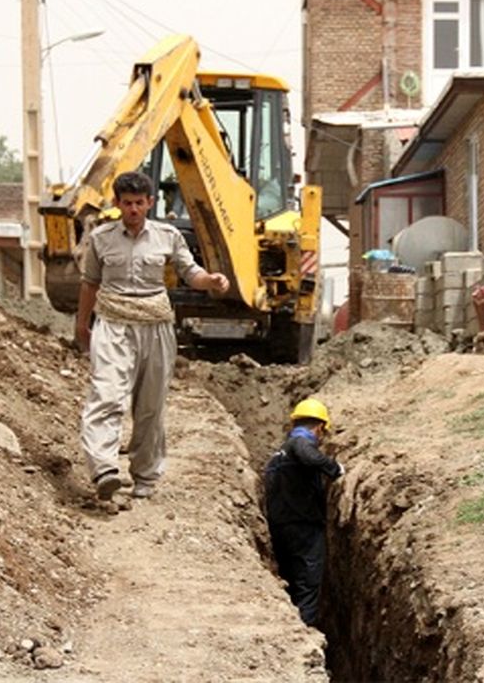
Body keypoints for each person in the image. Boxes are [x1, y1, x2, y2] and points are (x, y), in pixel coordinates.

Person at [76, 171, 230, 501]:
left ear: (150, 203)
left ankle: (144, 475)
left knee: (150, 405)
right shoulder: (101, 239)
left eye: (139, 203)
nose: (133, 209)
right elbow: (90, 283)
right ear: (116, 204)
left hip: (156, 326)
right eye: (127, 203)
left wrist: (212, 281)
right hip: (113, 324)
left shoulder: (168, 235)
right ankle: (104, 468)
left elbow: (191, 272)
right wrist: (81, 326)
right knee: (106, 393)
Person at [263, 398, 344, 627]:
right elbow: (309, 455)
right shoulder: (300, 443)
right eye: (322, 433)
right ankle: (304, 630)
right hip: (304, 527)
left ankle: (290, 626)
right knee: (308, 584)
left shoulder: (280, 453)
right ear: (319, 428)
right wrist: (335, 469)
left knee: (291, 580)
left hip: (281, 527)